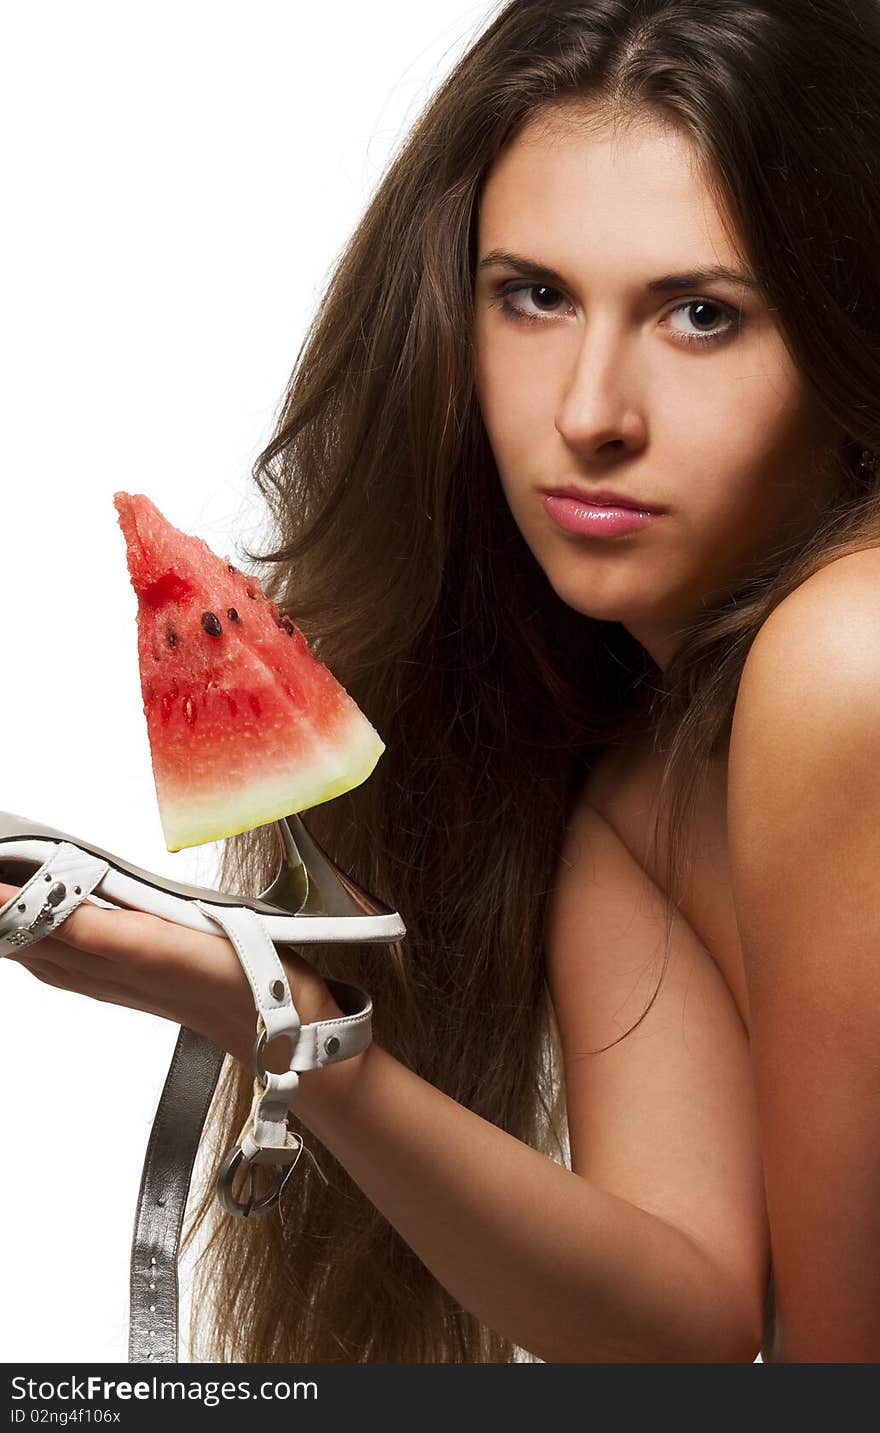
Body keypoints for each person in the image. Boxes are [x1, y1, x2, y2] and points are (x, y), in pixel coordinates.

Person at [3, 0, 880, 1362]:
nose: (591, 411)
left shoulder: (849, 656)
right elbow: (683, 1321)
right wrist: (282, 1027)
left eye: (702, 314)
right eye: (533, 296)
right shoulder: (634, 805)